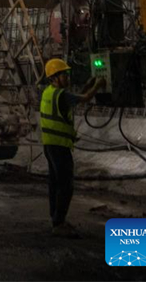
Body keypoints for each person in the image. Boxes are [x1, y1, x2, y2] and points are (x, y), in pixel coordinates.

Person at [41, 58, 106, 237]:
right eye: (64, 75)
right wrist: (98, 85)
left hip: (50, 145)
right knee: (66, 185)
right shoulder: (61, 95)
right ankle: (59, 224)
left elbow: (74, 100)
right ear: (54, 77)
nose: (67, 78)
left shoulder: (49, 93)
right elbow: (84, 99)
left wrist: (87, 85)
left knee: (55, 183)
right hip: (59, 147)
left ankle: (56, 218)